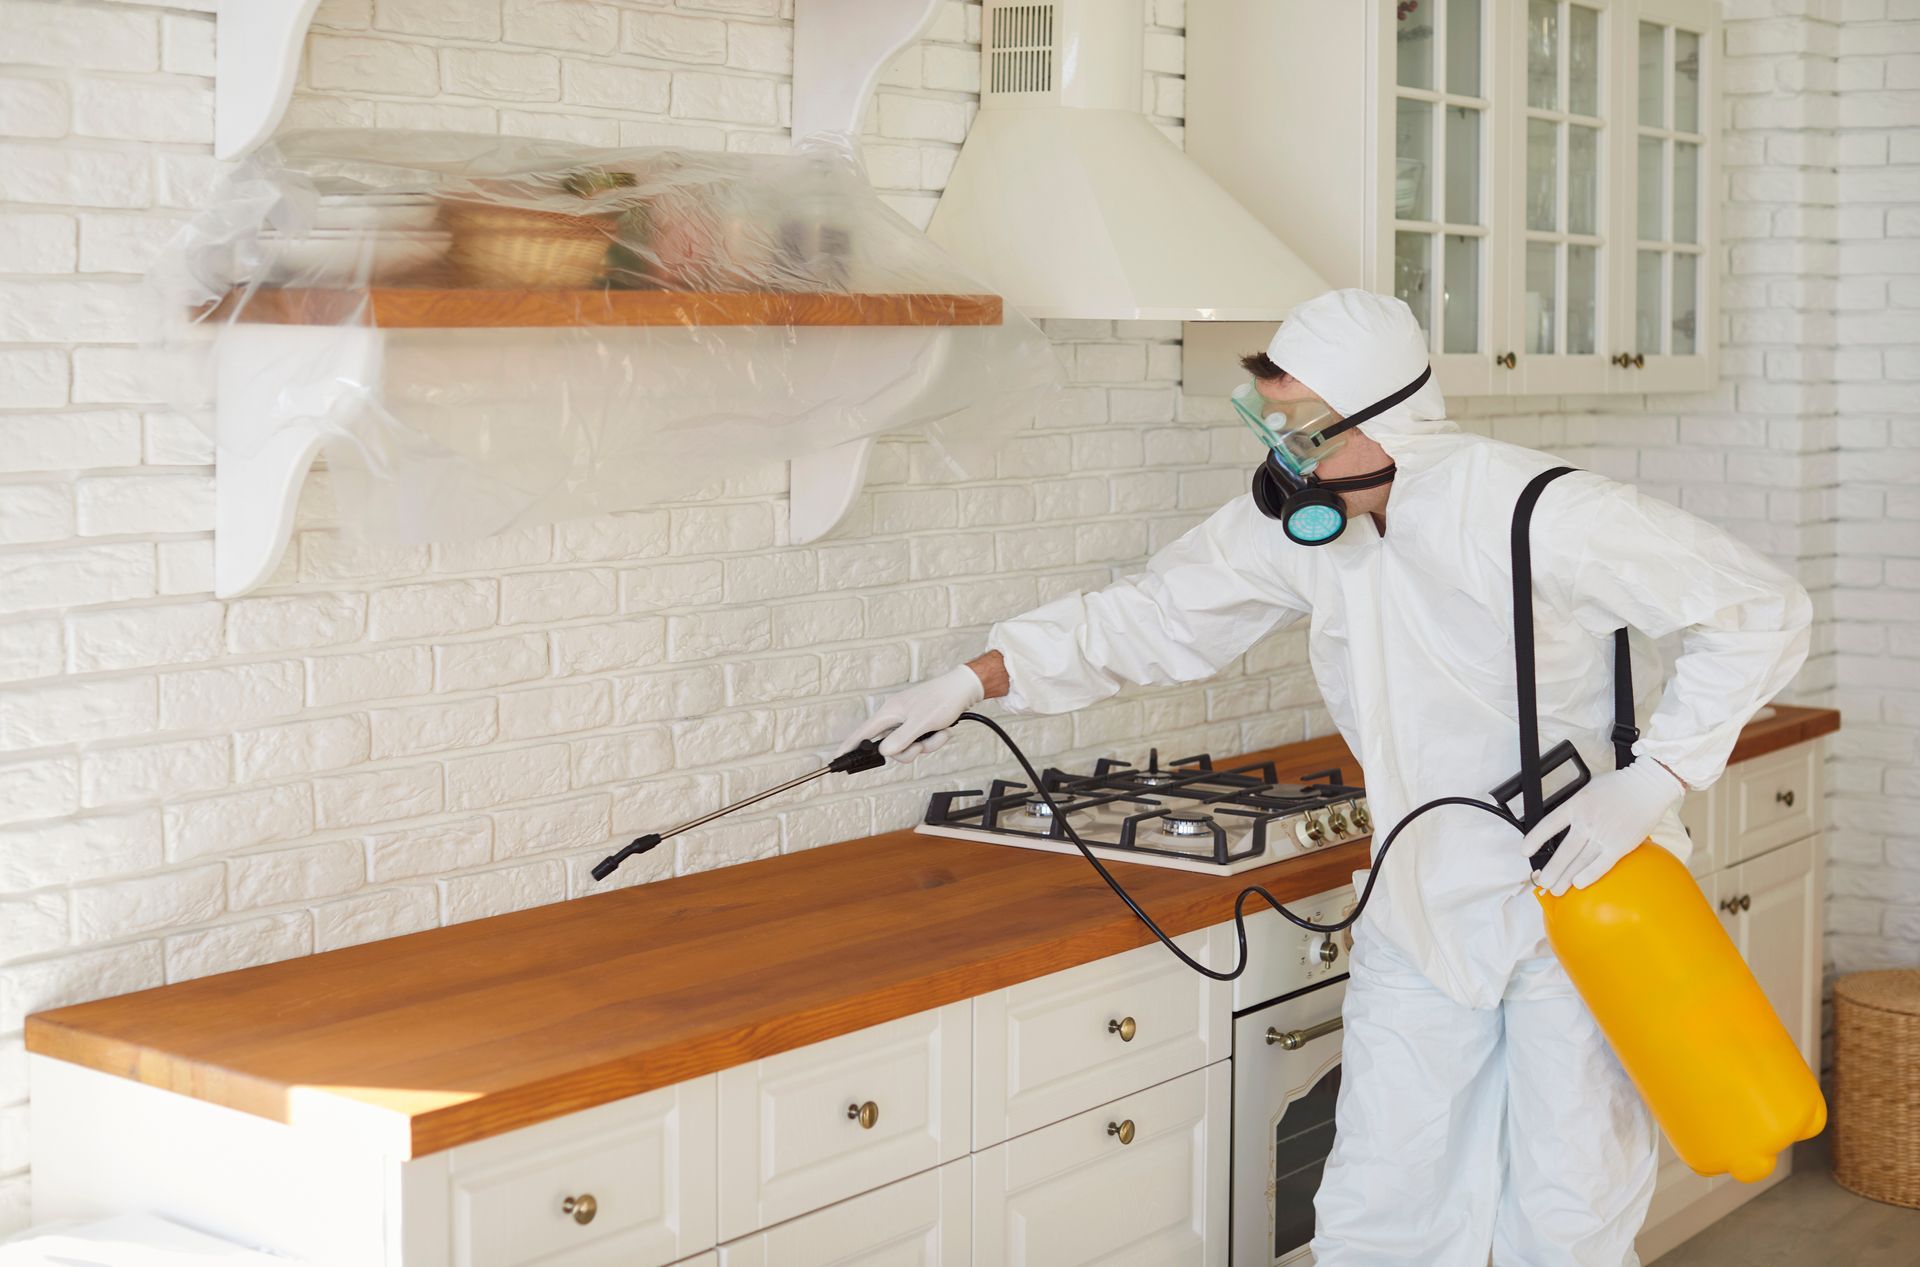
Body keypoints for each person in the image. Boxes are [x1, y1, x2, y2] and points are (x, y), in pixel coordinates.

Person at [834, 288, 1813, 1265]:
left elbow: (1758, 609)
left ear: (1385, 420)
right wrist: (975, 678)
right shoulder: (1305, 529)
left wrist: (1655, 779)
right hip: (1420, 905)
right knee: (1380, 1212)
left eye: (1302, 428)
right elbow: (1152, 615)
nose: (1281, 454)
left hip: (1581, 900)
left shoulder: (1536, 511)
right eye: (1270, 421)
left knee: (1566, 1214)